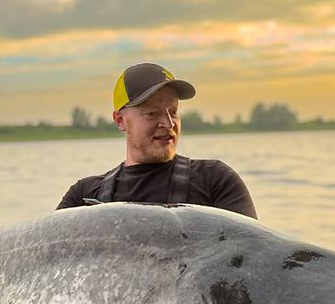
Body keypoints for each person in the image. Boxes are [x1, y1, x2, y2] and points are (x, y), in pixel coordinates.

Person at [57, 63, 257, 219]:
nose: (168, 123)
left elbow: (250, 258)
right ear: (120, 121)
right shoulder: (83, 196)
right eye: (152, 114)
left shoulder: (215, 181)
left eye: (173, 112)